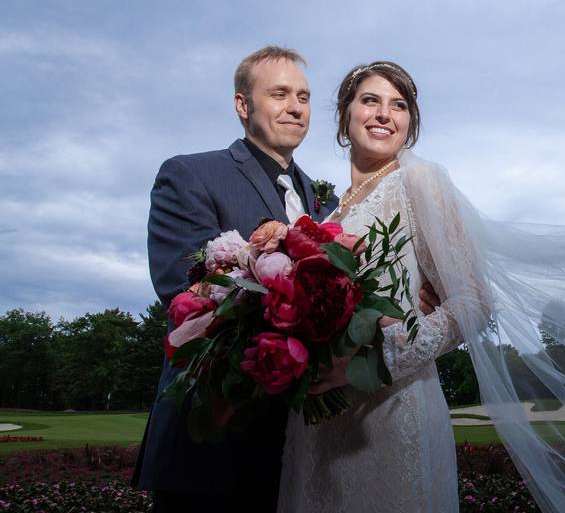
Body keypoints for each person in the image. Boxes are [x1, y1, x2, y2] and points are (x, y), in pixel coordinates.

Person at [133, 47, 443, 512]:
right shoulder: (192, 174)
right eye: (279, 93)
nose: (296, 107)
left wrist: (397, 311)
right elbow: (190, 299)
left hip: (309, 447)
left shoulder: (325, 206)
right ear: (243, 105)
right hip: (217, 450)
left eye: (304, 95)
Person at [277, 61, 491, 512]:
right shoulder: (328, 216)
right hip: (321, 423)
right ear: (344, 115)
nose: (383, 114)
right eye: (370, 100)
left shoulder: (419, 181)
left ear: (409, 124)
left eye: (399, 106)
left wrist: (373, 359)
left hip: (392, 409)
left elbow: (474, 302)